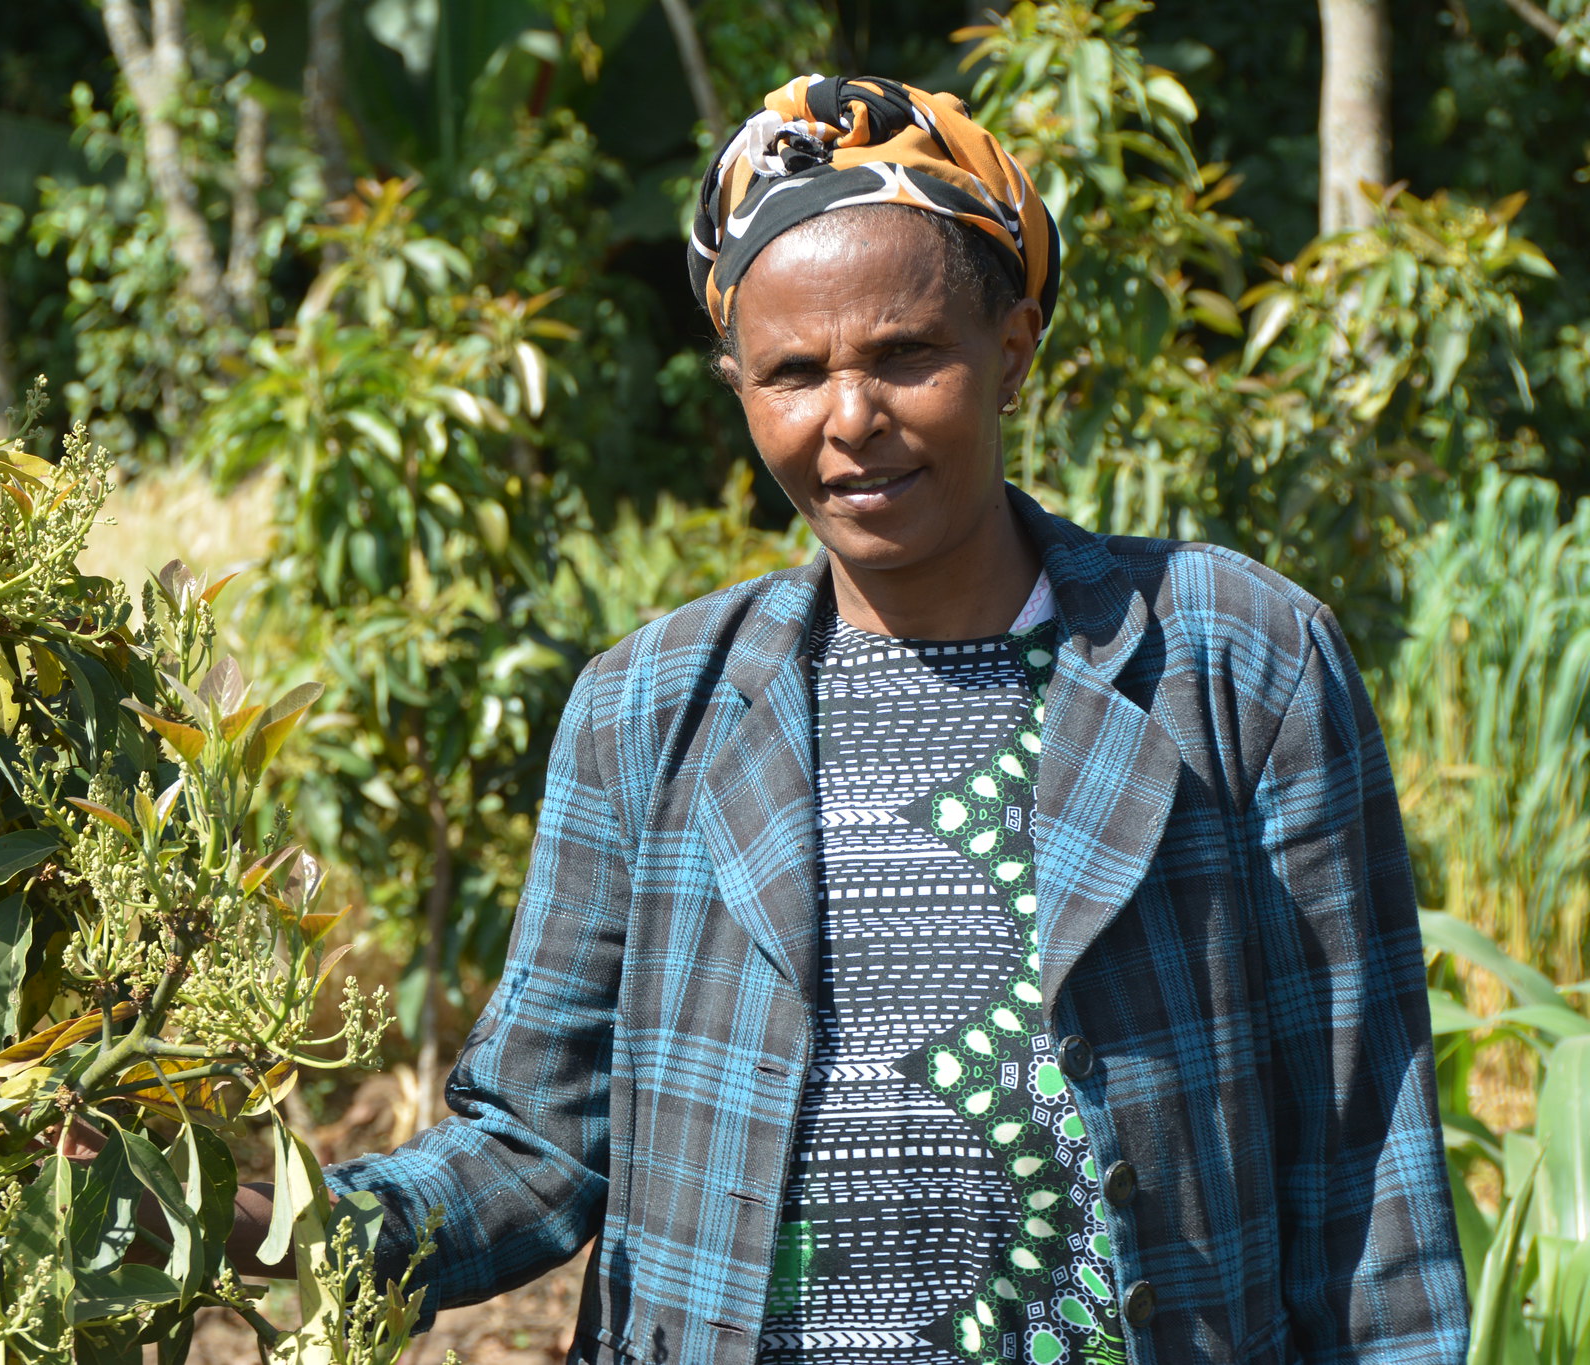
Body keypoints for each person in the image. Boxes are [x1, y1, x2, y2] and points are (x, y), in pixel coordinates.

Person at [281, 75, 1467, 1365]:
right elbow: (538, 1150)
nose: (851, 420)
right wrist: (271, 1213)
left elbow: (1364, 1154)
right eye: (793, 373)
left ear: (1011, 349)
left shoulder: (1228, 659)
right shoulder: (648, 708)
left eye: (907, 354)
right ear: (739, 386)